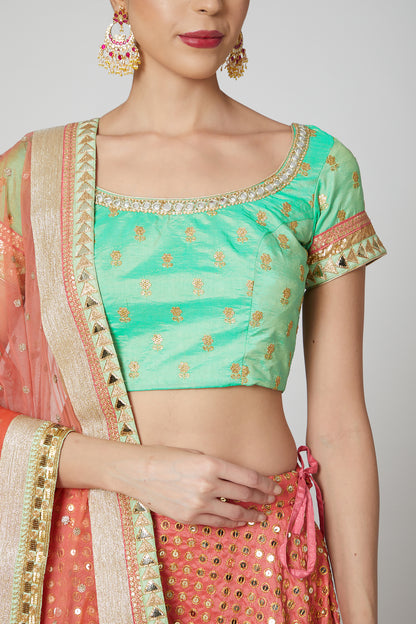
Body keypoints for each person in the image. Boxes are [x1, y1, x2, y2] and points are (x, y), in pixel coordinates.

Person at [0, 1, 387, 623]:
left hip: (267, 565)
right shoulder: (32, 178)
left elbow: (339, 427)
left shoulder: (317, 168)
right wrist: (133, 470)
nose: (208, 4)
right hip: (95, 564)